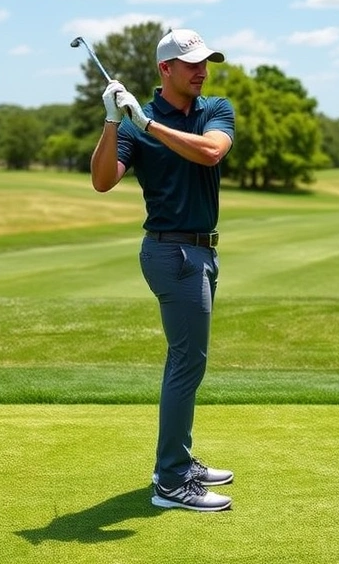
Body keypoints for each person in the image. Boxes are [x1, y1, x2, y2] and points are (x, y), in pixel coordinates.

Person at [90, 28, 236, 512]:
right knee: (186, 363)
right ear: (165, 70)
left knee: (188, 363)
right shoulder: (136, 121)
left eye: (205, 62)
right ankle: (172, 481)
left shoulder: (215, 110)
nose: (201, 70)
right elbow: (103, 180)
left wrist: (147, 126)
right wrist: (114, 123)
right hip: (171, 254)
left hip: (201, 252)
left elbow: (211, 151)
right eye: (191, 63)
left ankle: (179, 461)